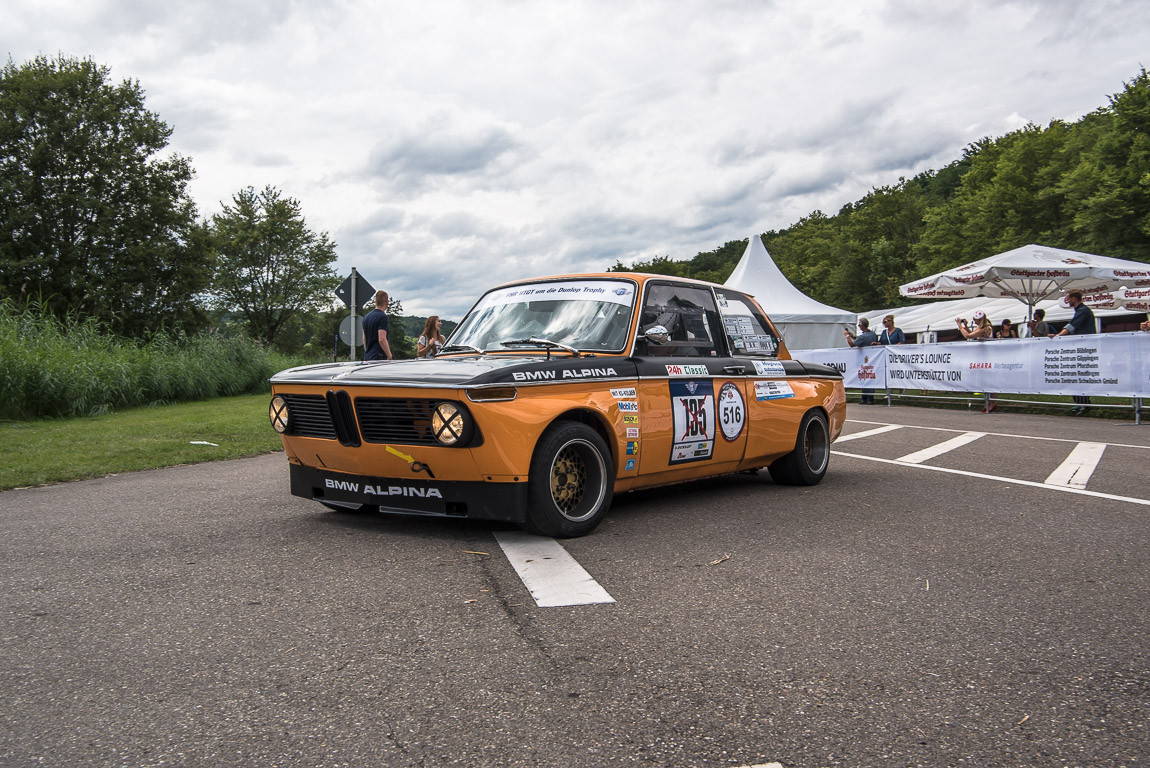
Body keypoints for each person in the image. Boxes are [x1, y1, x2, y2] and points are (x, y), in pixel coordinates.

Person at [1057, 290, 1096, 415]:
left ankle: (1084, 403)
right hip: (1080, 347)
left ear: (1074, 298)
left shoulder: (1083, 311)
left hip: (1084, 348)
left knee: (1079, 375)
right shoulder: (1081, 311)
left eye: (1068, 298)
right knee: (1075, 374)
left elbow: (1071, 326)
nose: (1067, 301)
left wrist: (1058, 337)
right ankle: (1081, 402)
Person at [844, 318, 879, 404]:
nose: (859, 326)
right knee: (870, 377)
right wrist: (853, 336)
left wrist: (847, 336)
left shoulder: (864, 336)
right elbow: (861, 340)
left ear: (862, 326)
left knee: (864, 377)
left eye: (859, 325)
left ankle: (866, 398)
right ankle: (868, 399)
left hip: (864, 359)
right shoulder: (872, 334)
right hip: (872, 359)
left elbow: (852, 344)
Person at [362, 289, 392, 361]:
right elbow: (382, 339)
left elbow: (364, 339)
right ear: (387, 302)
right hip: (378, 357)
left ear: (375, 302)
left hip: (368, 357)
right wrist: (389, 355)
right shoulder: (382, 317)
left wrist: (367, 352)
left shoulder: (366, 317)